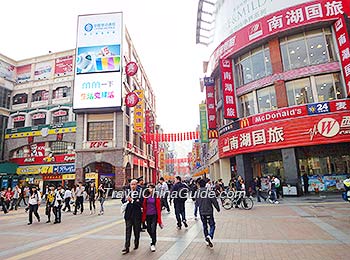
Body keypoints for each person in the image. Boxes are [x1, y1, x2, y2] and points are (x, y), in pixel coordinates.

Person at [195, 179, 220, 248]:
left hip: (202, 212)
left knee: (205, 226)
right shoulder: (209, 192)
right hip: (209, 211)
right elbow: (214, 201)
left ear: (199, 185)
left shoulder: (197, 193)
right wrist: (217, 208)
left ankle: (206, 239)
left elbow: (196, 202)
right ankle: (210, 236)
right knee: (212, 225)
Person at [121, 179, 143, 255]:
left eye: (134, 184)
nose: (132, 186)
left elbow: (140, 203)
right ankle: (126, 247)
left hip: (137, 215)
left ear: (136, 185)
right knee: (128, 231)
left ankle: (136, 243)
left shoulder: (140, 192)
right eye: (131, 184)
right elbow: (122, 200)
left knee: (136, 231)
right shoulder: (127, 192)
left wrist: (132, 201)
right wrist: (125, 200)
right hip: (128, 215)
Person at [141, 183, 163, 252]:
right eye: (150, 188)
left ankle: (153, 243)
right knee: (149, 229)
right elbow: (143, 205)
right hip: (147, 215)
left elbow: (159, 208)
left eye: (152, 188)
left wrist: (160, 221)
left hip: (154, 215)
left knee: (153, 229)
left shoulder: (156, 196)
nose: (151, 189)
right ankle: (153, 238)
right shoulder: (146, 196)